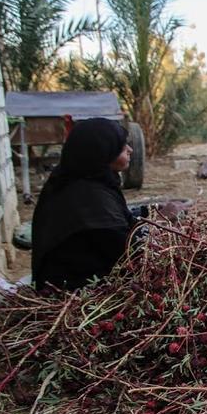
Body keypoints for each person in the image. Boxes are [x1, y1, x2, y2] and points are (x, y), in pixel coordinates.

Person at [31, 118, 183, 291]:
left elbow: (120, 220)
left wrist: (150, 211)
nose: (130, 150)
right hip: (75, 288)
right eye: (121, 147)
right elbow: (130, 250)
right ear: (101, 152)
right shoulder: (86, 196)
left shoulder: (84, 178)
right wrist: (163, 222)